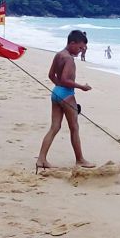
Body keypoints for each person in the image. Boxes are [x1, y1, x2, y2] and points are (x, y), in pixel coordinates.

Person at [37, 30, 95, 170]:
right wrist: (81, 87)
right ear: (72, 43)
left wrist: (59, 88)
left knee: (54, 127)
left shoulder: (59, 54)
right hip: (67, 95)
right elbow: (65, 79)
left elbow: (51, 75)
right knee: (74, 128)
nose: (81, 51)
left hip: (56, 93)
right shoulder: (68, 58)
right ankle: (80, 160)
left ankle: (41, 159)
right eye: (80, 47)